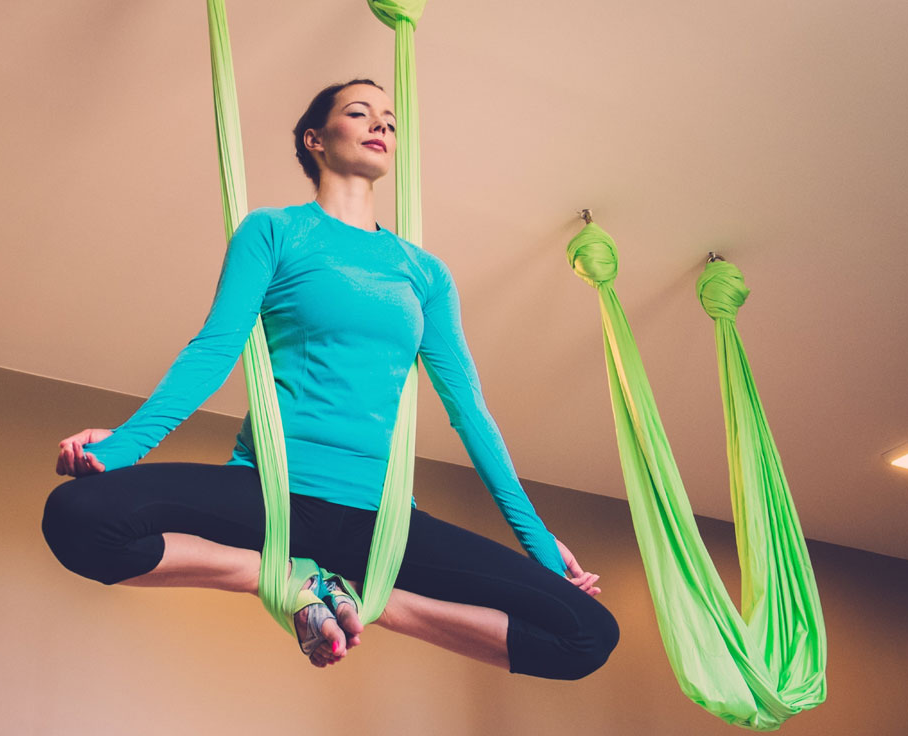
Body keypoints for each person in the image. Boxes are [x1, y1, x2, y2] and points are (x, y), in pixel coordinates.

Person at [43, 80, 618, 677]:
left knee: (587, 636)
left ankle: (368, 603)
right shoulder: (274, 232)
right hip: (272, 494)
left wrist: (541, 544)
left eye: (390, 122)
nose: (381, 127)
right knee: (77, 516)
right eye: (360, 113)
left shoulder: (425, 274)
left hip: (380, 522)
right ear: (315, 139)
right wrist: (123, 447)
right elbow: (214, 350)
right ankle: (286, 580)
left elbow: (470, 412)